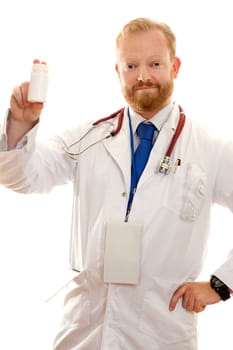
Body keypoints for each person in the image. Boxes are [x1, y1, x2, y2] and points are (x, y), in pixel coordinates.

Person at [0, 17, 232, 350]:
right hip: (87, 328)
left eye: (155, 63)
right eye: (131, 65)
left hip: (161, 331)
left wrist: (220, 285)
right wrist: (21, 125)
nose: (143, 76)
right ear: (118, 71)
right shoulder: (89, 136)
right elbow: (25, 178)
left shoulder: (212, 148)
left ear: (175, 66)